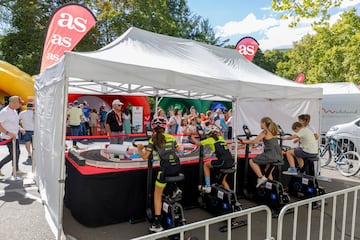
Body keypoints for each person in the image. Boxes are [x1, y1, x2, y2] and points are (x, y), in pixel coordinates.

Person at [137, 116, 181, 233]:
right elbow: (178, 150)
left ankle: (157, 223)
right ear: (165, 126)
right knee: (170, 177)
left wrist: (139, 149)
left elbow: (145, 156)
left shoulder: (153, 140)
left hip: (165, 169)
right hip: (177, 167)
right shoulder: (171, 138)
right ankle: (174, 188)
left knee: (157, 195)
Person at [241, 117, 283, 188]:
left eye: (261, 123)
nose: (260, 124)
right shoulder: (273, 131)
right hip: (279, 155)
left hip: (271, 154)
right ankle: (272, 187)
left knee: (252, 161)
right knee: (268, 171)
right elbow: (266, 140)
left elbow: (254, 141)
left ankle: (261, 178)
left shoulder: (265, 132)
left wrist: (244, 141)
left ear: (264, 123)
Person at [191, 125, 233, 193]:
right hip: (230, 162)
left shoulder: (210, 139)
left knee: (206, 164)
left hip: (222, 162)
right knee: (223, 181)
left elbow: (198, 143)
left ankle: (208, 186)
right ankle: (230, 196)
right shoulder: (221, 138)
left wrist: (192, 137)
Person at [0, 96, 26, 176]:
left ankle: (16, 169)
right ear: (14, 103)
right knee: (13, 154)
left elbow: (15, 123)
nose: (20, 105)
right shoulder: (4, 112)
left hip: (14, 137)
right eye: (19, 103)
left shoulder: (14, 111)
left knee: (16, 153)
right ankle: (15, 170)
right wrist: (7, 133)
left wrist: (20, 128)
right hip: (8, 137)